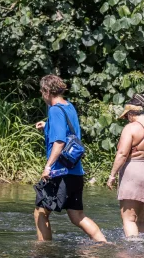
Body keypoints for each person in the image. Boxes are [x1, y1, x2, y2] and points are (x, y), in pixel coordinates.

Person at [34, 75, 106, 242]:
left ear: (46, 91)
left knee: (40, 213)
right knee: (77, 216)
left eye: (42, 92)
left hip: (60, 172)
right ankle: (104, 244)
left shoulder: (54, 110)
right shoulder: (69, 106)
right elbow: (69, 133)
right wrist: (47, 126)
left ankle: (45, 252)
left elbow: (59, 142)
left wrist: (48, 167)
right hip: (75, 173)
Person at [106, 94, 144, 237]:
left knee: (129, 219)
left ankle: (132, 250)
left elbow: (122, 154)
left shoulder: (130, 128)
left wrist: (112, 175)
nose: (127, 118)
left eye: (127, 115)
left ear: (132, 113)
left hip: (134, 173)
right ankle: (143, 250)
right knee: (141, 220)